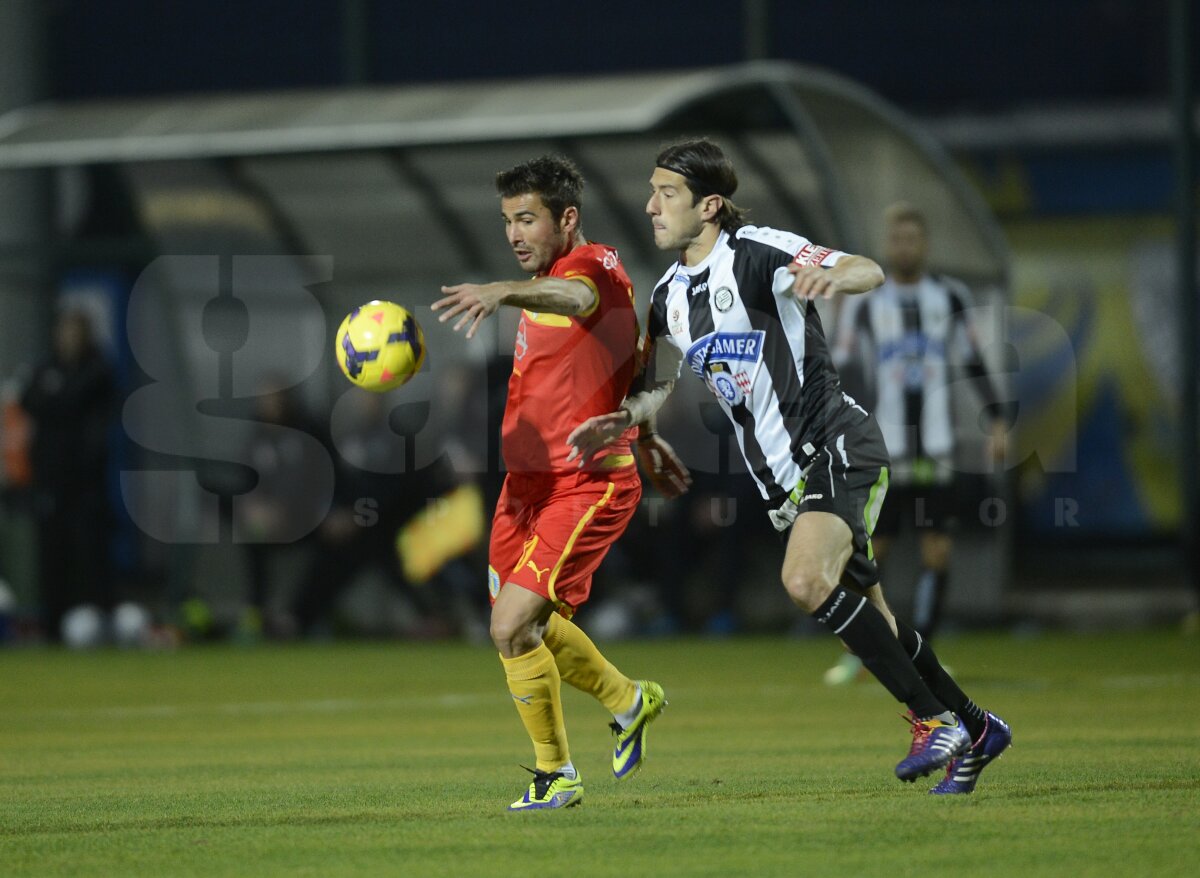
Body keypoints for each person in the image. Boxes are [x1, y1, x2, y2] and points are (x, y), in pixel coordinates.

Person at [568, 138, 1011, 794]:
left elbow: (866, 269)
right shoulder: (667, 295)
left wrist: (835, 277)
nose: (650, 206)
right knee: (874, 626)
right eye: (652, 192)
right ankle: (977, 728)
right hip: (781, 482)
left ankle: (931, 722)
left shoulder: (759, 251)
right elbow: (656, 378)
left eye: (667, 194)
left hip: (836, 442)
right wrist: (635, 421)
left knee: (803, 581)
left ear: (709, 205)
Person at [433, 155, 685, 810]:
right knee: (522, 630)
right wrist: (649, 431)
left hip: (588, 483)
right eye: (507, 221)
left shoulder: (591, 268)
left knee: (510, 626)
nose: (514, 234)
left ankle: (556, 776)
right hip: (524, 489)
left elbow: (574, 299)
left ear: (566, 218)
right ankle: (631, 702)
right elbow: (632, 370)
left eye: (527, 219)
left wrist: (501, 291)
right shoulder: (549, 278)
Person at [823, 202, 1009, 686]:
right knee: (867, 551)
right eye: (897, 239)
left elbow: (971, 361)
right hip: (880, 449)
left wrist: (997, 421)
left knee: (937, 551)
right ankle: (862, 651)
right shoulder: (863, 302)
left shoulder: (948, 296)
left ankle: (920, 650)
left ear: (924, 244)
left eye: (913, 238)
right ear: (889, 245)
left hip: (935, 448)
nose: (905, 247)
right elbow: (839, 368)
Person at [20, 308, 117, 641]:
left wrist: (56, 397)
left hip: (86, 480)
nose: (67, 338)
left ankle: (101, 620)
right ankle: (53, 625)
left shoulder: (98, 368)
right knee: (52, 553)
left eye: (74, 331)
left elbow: (73, 399)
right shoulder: (46, 366)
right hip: (49, 478)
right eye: (64, 330)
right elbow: (28, 400)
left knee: (92, 552)